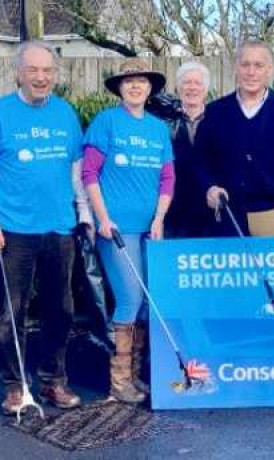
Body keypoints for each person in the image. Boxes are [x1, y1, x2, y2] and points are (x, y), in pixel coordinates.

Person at [0, 41, 90, 413]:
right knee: (11, 312)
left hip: (59, 228)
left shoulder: (66, 113)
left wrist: (84, 213)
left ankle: (53, 381)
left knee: (61, 310)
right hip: (13, 230)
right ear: (18, 72)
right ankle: (16, 387)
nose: (41, 77)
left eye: (48, 71)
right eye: (33, 70)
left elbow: (77, 171)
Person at [82, 58, 175, 403]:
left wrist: (160, 217)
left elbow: (167, 178)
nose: (136, 86)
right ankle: (119, 381)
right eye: (129, 81)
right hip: (117, 230)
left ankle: (135, 377)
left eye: (141, 81)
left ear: (150, 88)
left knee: (146, 304)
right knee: (130, 298)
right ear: (120, 88)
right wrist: (102, 218)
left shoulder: (158, 129)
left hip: (149, 230)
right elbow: (89, 174)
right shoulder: (106, 122)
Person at [194, 39, 274, 237]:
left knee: (273, 268)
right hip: (227, 214)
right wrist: (209, 188)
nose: (251, 72)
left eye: (258, 65)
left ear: (269, 70)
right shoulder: (216, 111)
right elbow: (199, 161)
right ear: (236, 68)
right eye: (245, 64)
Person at [165, 61, 212, 238]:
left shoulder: (219, 120)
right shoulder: (166, 122)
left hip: (211, 210)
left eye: (197, 83)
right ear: (178, 88)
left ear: (206, 89)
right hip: (174, 208)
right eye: (186, 82)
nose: (192, 88)